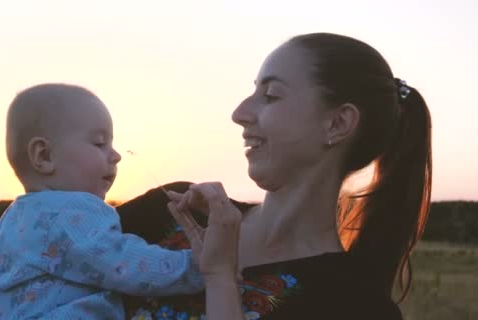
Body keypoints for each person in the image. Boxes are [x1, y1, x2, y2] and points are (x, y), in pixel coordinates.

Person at [119, 32, 432, 319]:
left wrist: (220, 278)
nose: (239, 113)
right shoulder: (178, 210)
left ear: (337, 124)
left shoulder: (355, 306)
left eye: (270, 95)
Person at [0, 84, 206, 319]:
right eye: (99, 143)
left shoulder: (5, 228)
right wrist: (200, 266)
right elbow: (127, 266)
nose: (116, 155)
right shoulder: (71, 214)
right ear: (44, 156)